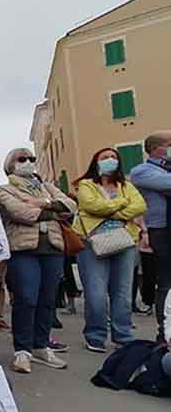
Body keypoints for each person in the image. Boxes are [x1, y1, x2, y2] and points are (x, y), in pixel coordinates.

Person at [0, 148, 76, 373]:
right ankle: (22, 351)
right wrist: (51, 207)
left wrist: (42, 203)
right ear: (11, 165)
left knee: (47, 300)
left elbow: (70, 206)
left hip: (53, 248)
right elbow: (20, 213)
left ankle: (41, 346)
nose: (29, 162)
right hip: (23, 250)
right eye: (22, 159)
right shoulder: (4, 190)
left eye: (31, 159)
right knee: (26, 298)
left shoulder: (47, 186)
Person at [72, 148, 146, 352]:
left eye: (114, 157)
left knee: (122, 292)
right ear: (95, 162)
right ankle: (95, 336)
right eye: (105, 158)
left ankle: (123, 335)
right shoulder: (86, 185)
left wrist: (110, 210)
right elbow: (91, 206)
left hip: (124, 241)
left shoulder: (127, 185)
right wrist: (121, 203)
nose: (110, 160)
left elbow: (140, 206)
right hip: (92, 242)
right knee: (95, 293)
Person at [129, 131, 171, 342]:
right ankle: (165, 334)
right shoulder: (141, 171)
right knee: (166, 283)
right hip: (160, 230)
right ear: (156, 149)